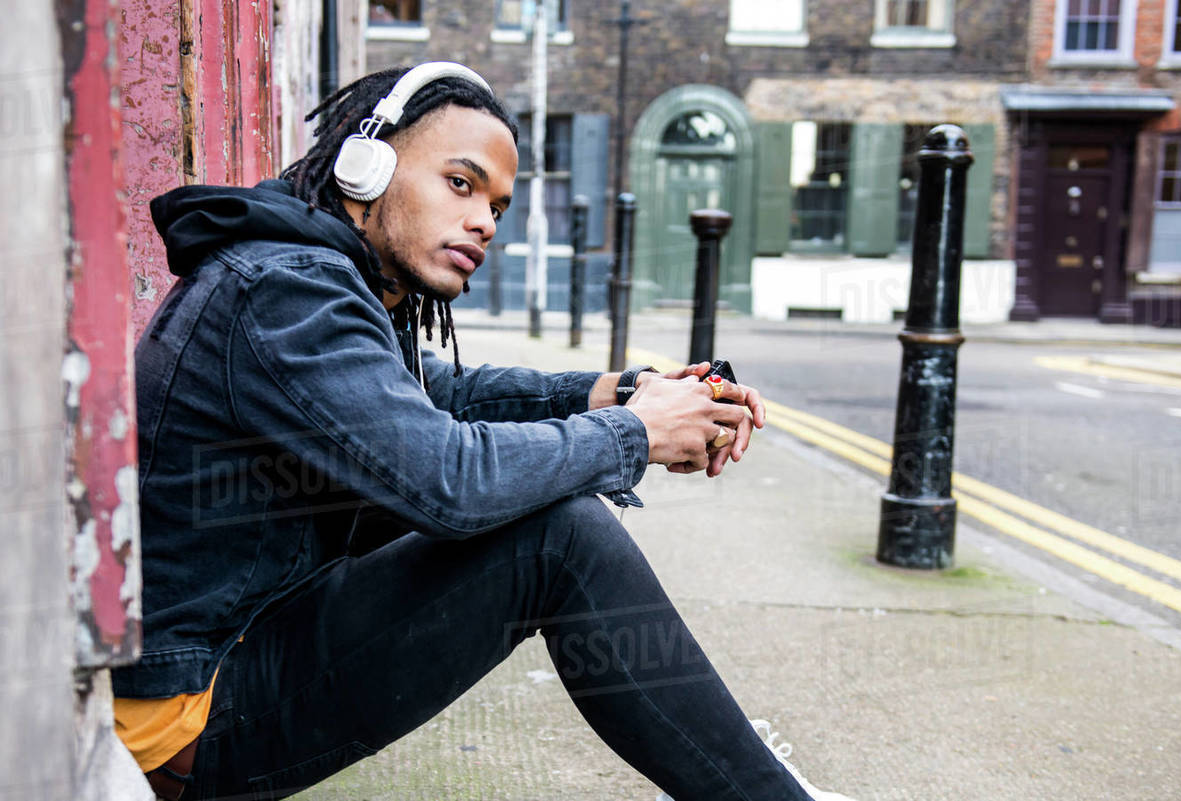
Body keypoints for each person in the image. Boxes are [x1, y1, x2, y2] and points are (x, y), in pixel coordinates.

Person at [112, 62, 851, 801]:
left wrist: (619, 390)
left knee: (549, 519)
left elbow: (448, 393)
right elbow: (447, 481)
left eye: (497, 205)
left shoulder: (314, 274)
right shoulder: (285, 292)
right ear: (362, 164)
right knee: (560, 538)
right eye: (460, 184)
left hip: (235, 643)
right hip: (188, 716)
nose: (484, 222)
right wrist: (634, 432)